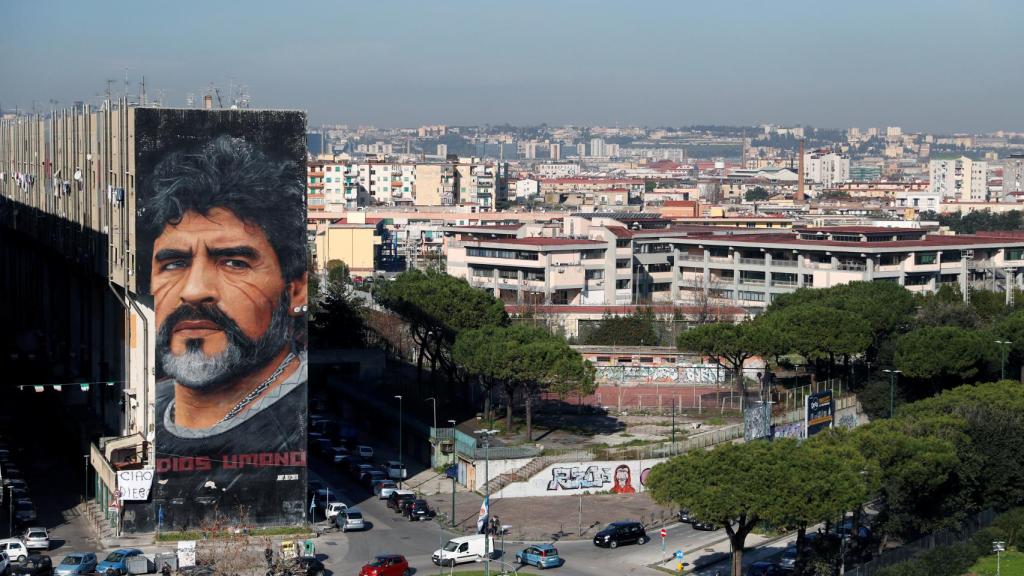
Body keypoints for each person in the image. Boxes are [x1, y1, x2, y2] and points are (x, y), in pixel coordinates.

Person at [144, 134, 308, 527]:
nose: (194, 290)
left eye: (233, 262)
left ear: (295, 289)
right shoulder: (151, 409)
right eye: (173, 264)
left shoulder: (292, 423)